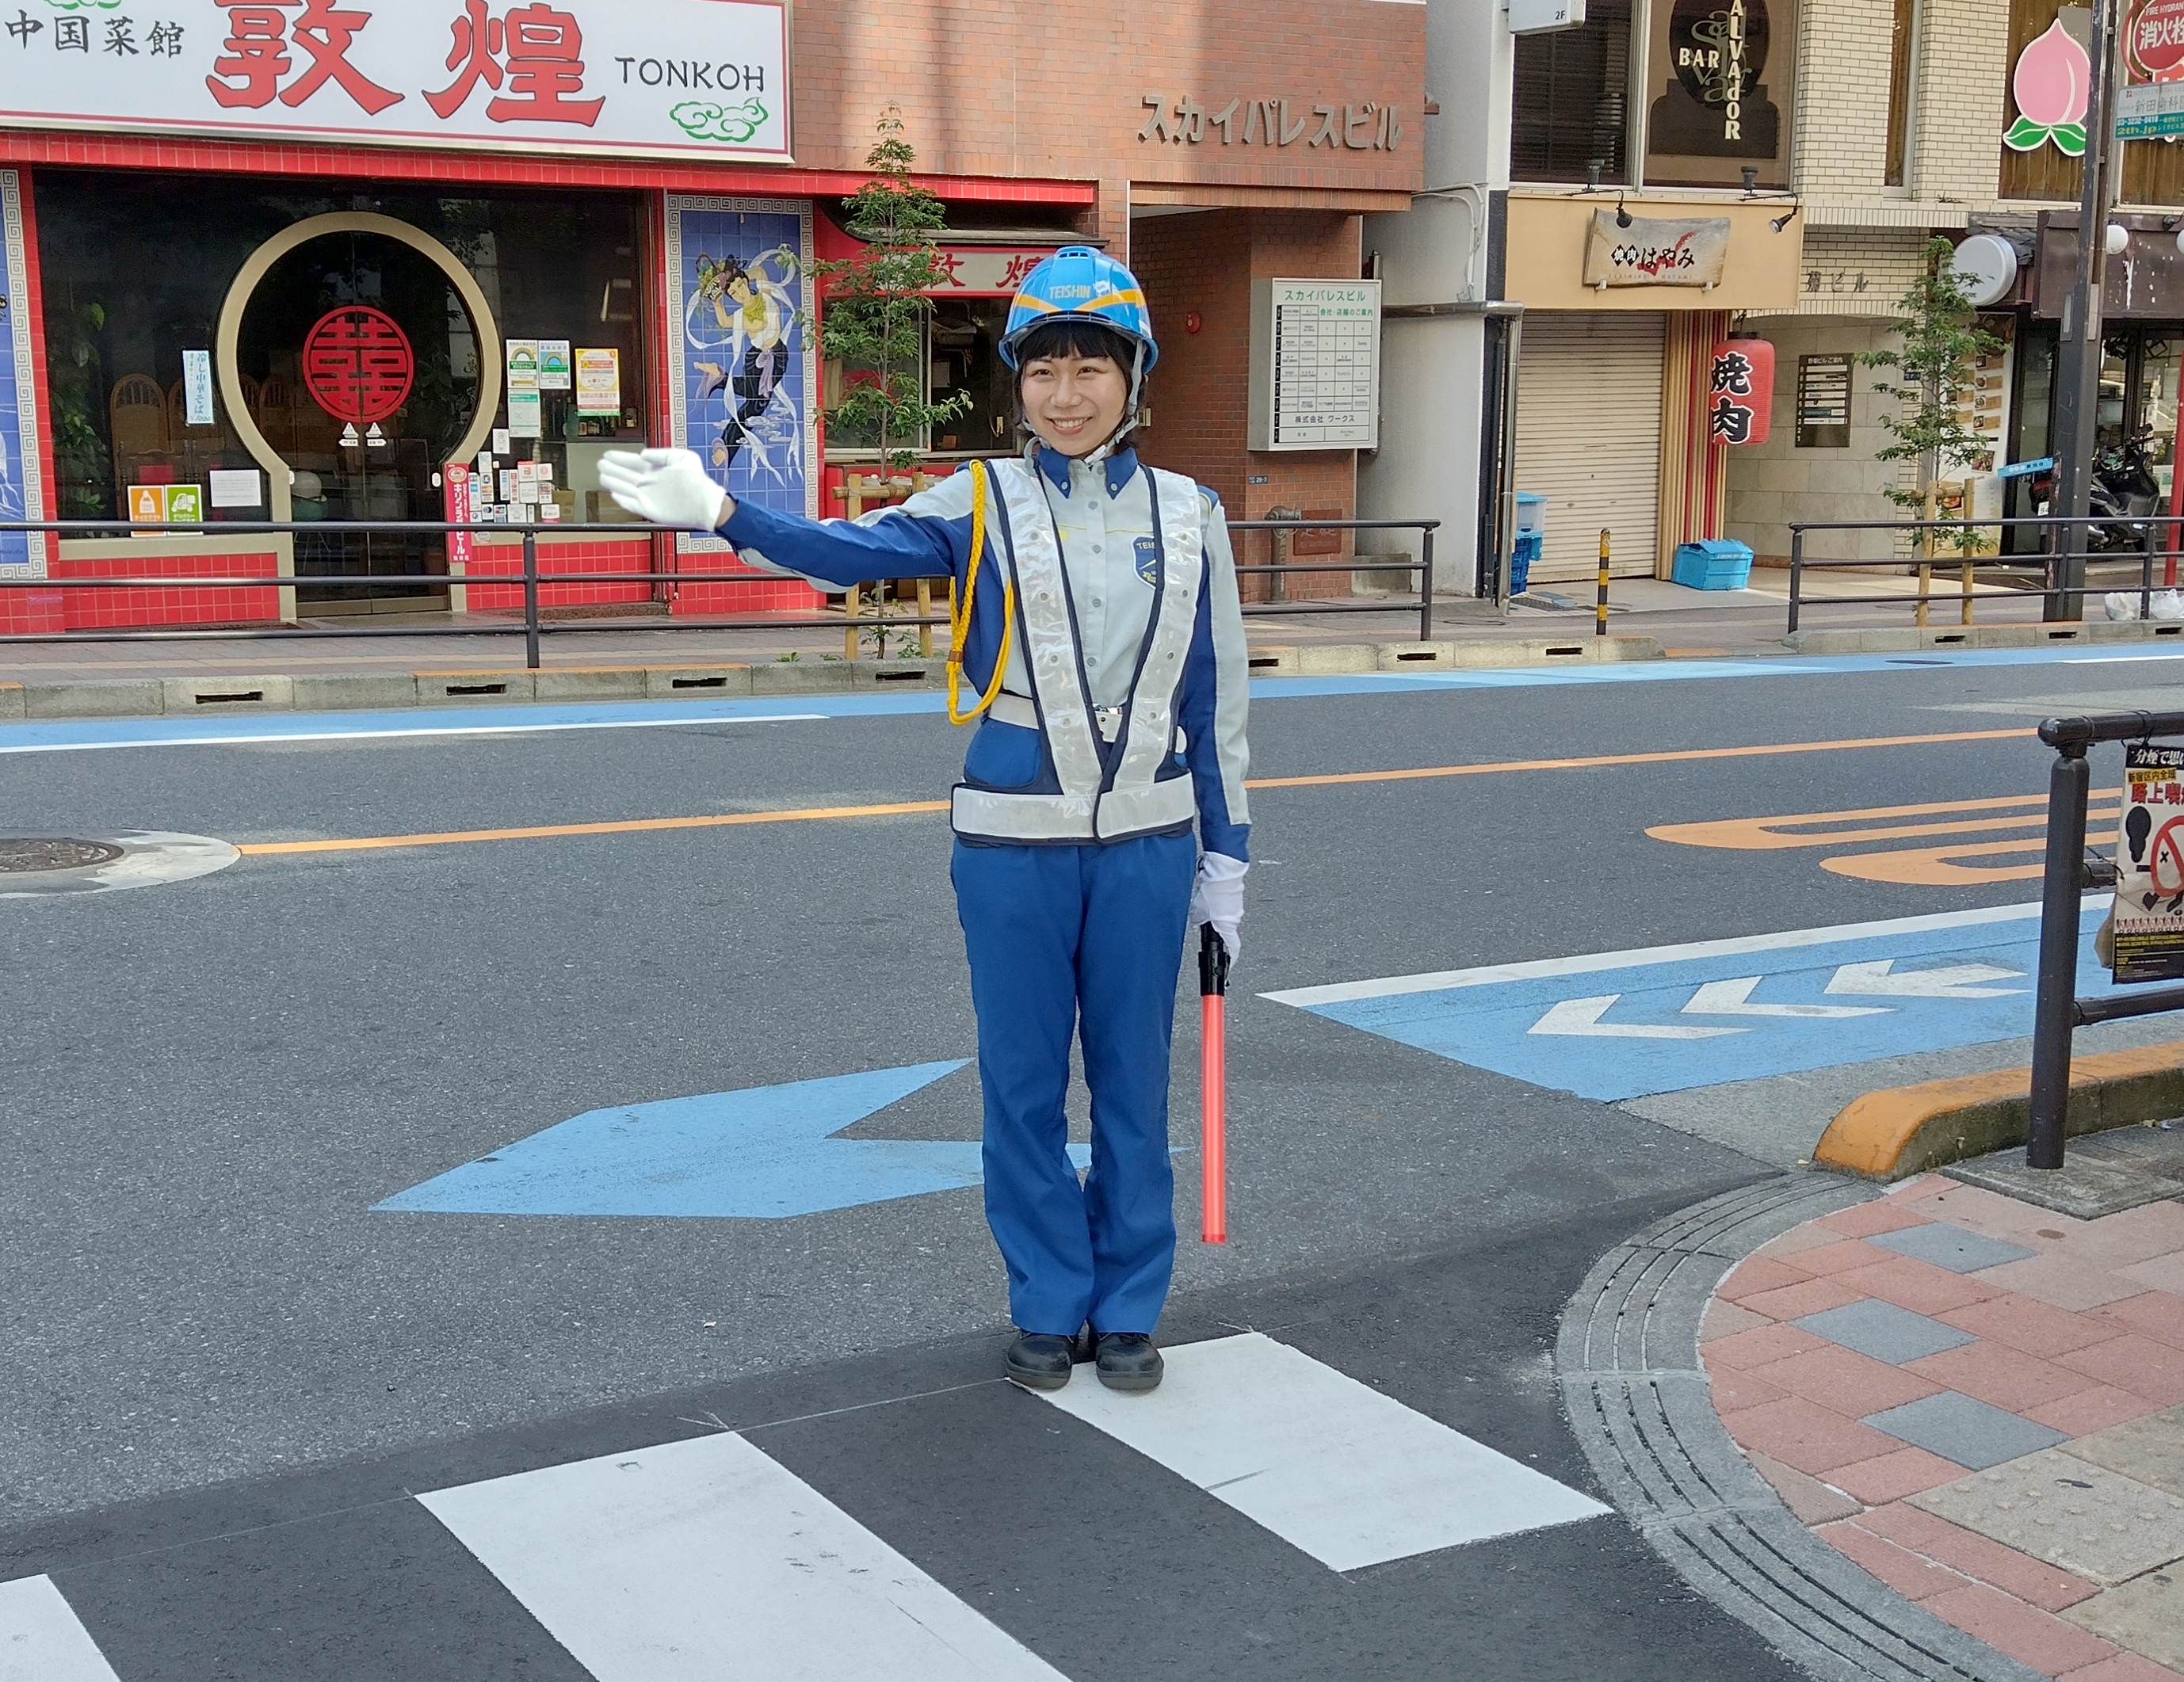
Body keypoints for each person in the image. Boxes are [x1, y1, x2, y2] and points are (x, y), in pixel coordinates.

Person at [598, 246, 1249, 1394]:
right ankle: (1050, 1301)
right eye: (1042, 367)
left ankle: (1130, 1305)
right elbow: (857, 553)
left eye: (1090, 366)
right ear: (1018, 383)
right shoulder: (982, 498)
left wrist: (1228, 863)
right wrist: (722, 512)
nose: (1065, 392)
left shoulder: (1192, 517)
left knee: (1135, 1088)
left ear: (1133, 376)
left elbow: (1219, 703)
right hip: (1010, 848)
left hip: (1150, 847)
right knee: (1021, 1088)